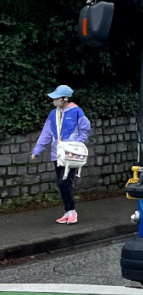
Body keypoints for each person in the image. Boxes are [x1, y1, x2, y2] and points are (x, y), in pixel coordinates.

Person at [31, 85, 91, 224]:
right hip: (57, 154)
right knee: (61, 183)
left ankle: (72, 212)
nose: (54, 100)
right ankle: (68, 211)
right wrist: (37, 150)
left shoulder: (77, 111)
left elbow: (85, 129)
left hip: (71, 154)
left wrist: (76, 144)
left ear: (65, 98)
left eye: (57, 98)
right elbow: (46, 133)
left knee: (65, 182)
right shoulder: (53, 114)